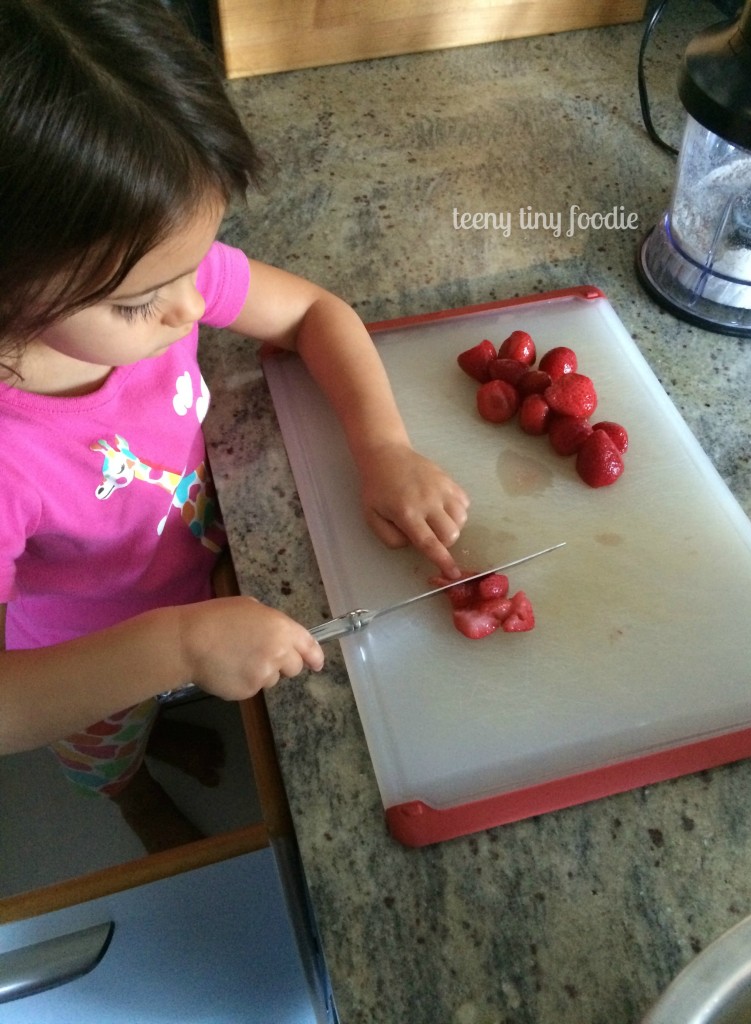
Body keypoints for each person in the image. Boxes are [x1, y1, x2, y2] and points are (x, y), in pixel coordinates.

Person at [0, 0, 469, 848]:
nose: (194, 307)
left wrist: (383, 447)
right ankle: (133, 793)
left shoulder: (140, 262)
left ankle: (162, 718)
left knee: (174, 691)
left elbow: (314, 311)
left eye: (194, 264)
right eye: (140, 302)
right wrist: (175, 650)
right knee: (105, 742)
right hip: (83, 647)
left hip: (199, 556)